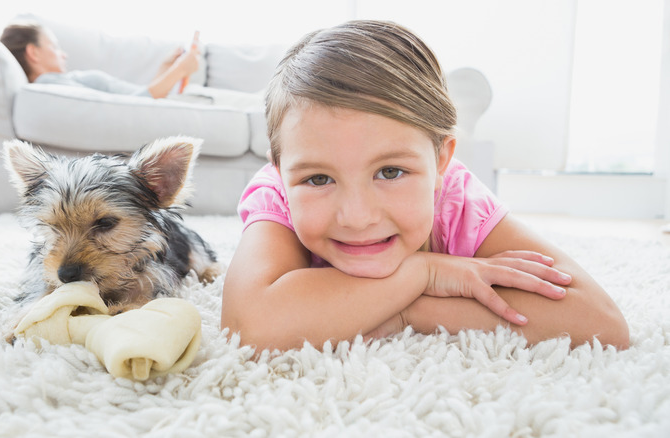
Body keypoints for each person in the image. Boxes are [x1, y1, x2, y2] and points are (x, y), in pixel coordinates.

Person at [221, 20, 629, 353]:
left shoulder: (455, 201)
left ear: (440, 162)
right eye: (319, 179)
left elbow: (601, 324)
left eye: (391, 172)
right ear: (280, 171)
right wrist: (425, 273)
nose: (358, 217)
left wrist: (409, 312)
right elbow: (247, 327)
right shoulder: (278, 195)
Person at [0, 21, 200, 99]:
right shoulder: (48, 84)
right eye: (54, 46)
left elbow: (140, 100)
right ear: (33, 53)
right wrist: (179, 70)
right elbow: (133, 106)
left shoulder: (61, 83)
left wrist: (167, 68)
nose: (64, 54)